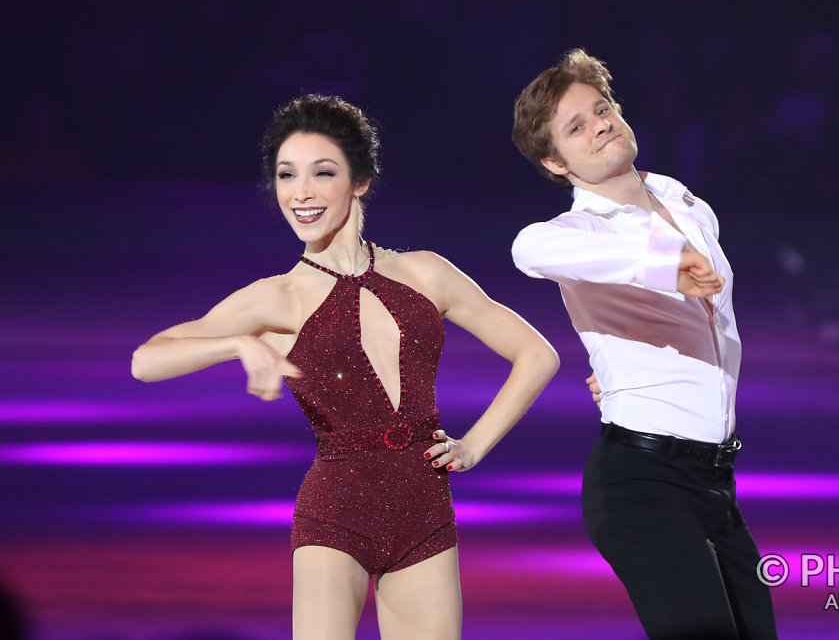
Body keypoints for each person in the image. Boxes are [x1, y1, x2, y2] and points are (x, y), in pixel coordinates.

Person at [132, 94, 559, 640]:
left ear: (359, 181)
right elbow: (147, 361)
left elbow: (537, 354)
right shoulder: (276, 297)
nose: (301, 192)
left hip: (425, 508)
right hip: (335, 510)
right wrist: (237, 343)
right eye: (287, 175)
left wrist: (473, 446)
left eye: (322, 172)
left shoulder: (426, 272)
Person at [510, 50, 777, 639]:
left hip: (714, 482)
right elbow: (528, 251)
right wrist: (661, 263)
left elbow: (717, 330)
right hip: (641, 483)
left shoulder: (685, 201)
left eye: (603, 109)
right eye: (576, 126)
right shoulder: (574, 233)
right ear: (556, 162)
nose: (600, 124)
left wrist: (622, 363)